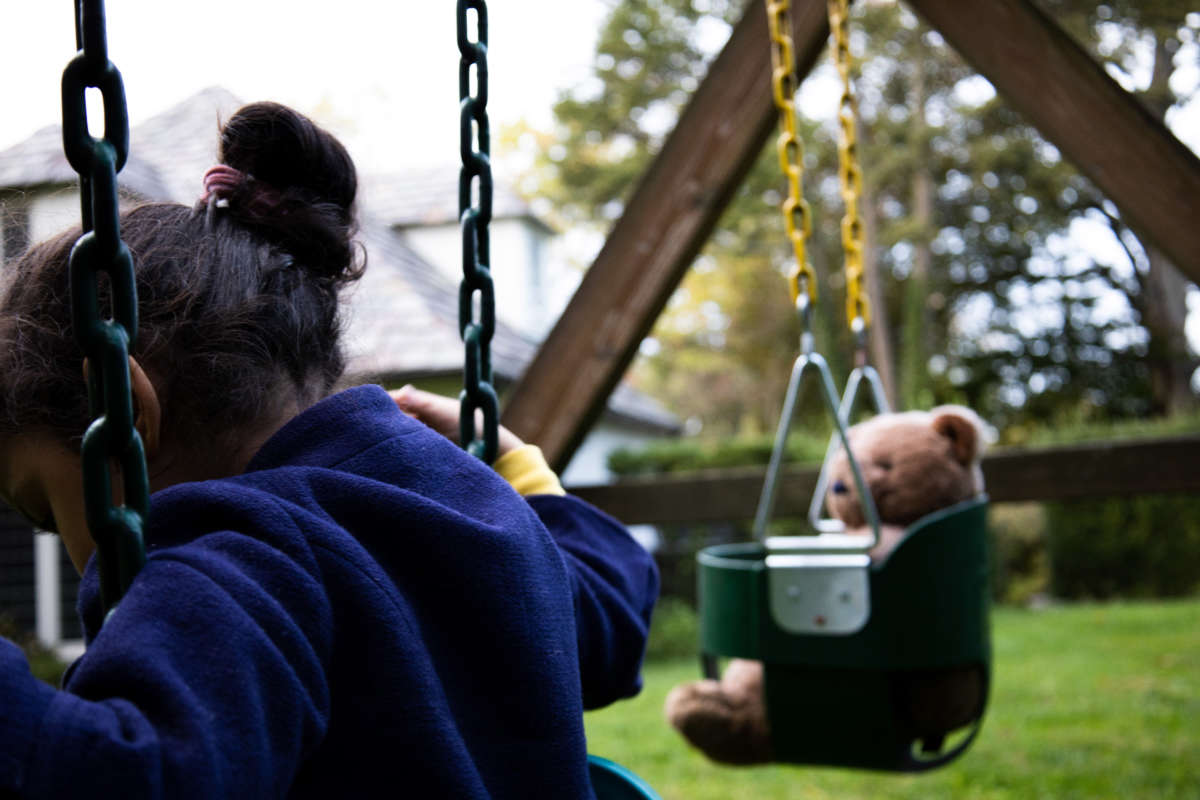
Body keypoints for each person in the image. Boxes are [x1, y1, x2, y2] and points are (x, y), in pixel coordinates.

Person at [0, 102, 658, 798]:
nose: (69, 554)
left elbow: (135, 775)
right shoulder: (477, 511)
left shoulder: (234, 561)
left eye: (46, 509)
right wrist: (513, 467)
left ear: (124, 413)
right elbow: (610, 618)